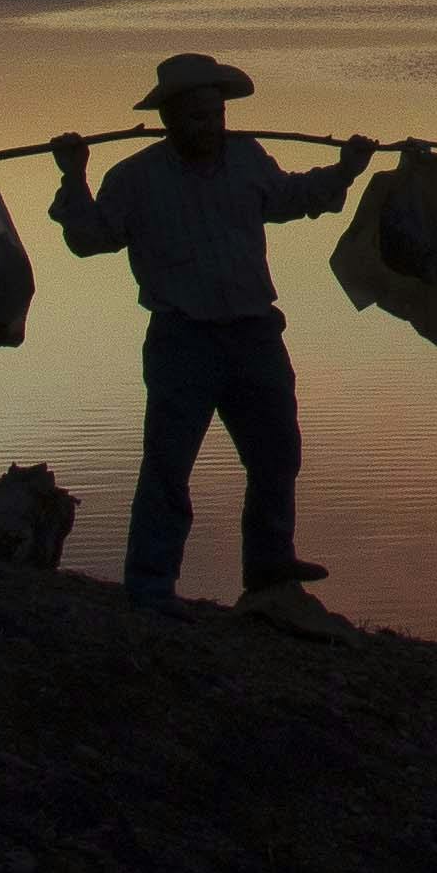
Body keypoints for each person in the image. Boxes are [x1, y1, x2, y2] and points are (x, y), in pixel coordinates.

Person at [47, 52, 372, 630]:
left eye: (216, 114)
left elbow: (291, 198)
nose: (211, 125)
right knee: (168, 467)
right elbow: (90, 239)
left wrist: (346, 171)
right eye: (197, 117)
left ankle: (270, 569)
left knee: (277, 455)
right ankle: (150, 585)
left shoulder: (247, 158)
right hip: (182, 339)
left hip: (254, 332)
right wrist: (74, 176)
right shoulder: (135, 178)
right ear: (169, 119)